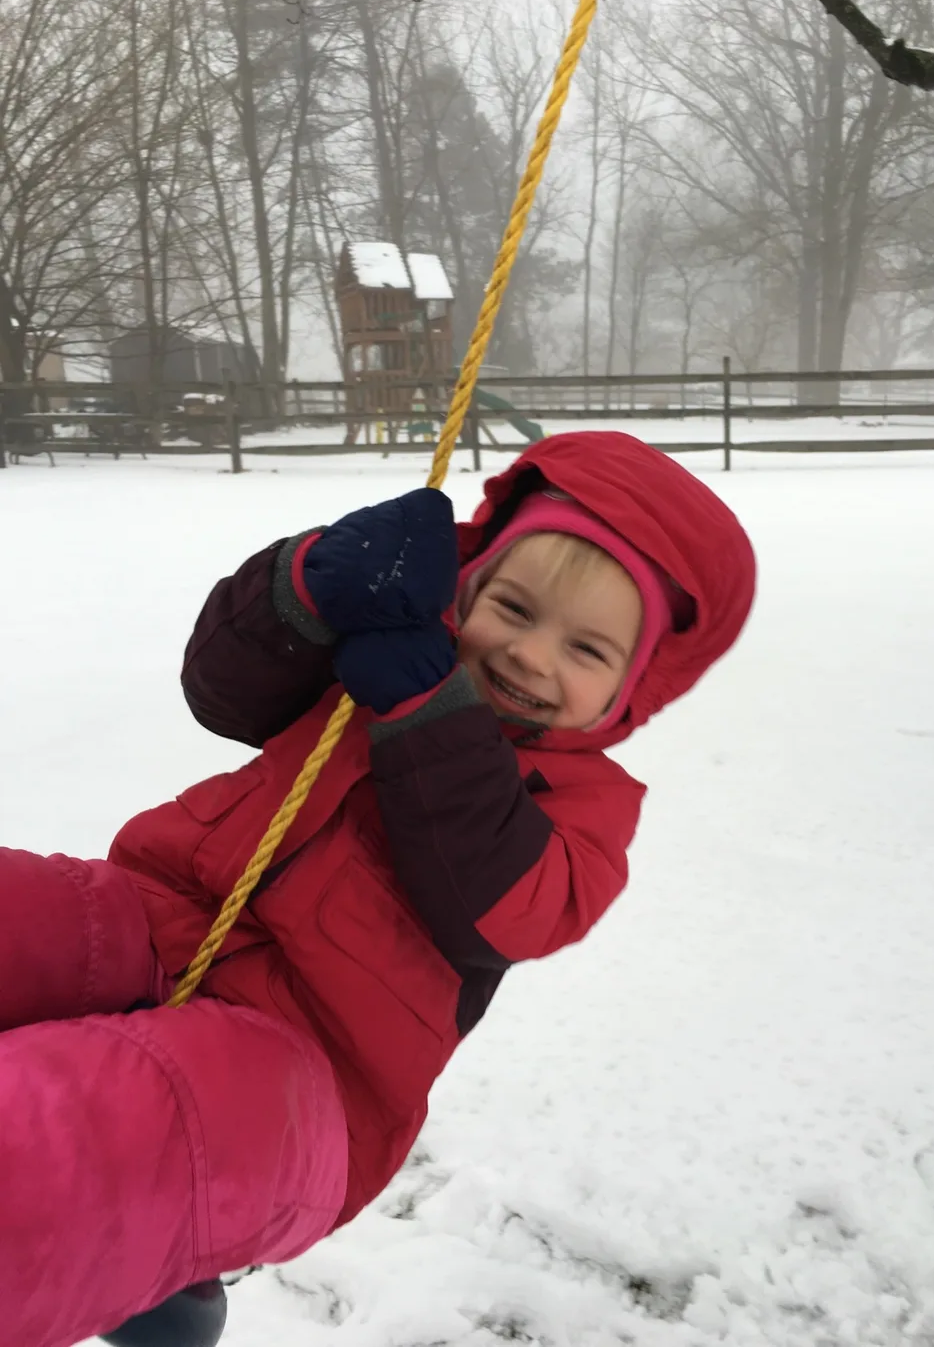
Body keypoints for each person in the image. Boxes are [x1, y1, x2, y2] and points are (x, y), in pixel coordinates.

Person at [0, 430, 756, 1347]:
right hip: (164, 922)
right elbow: (223, 692)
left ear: (636, 690)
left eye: (587, 649)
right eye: (513, 608)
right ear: (467, 584)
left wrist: (426, 713)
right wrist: (310, 586)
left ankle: (146, 1260)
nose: (530, 656)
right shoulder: (389, 645)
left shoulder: (586, 808)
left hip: (309, 1078)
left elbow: (508, 909)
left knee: (66, 1142)